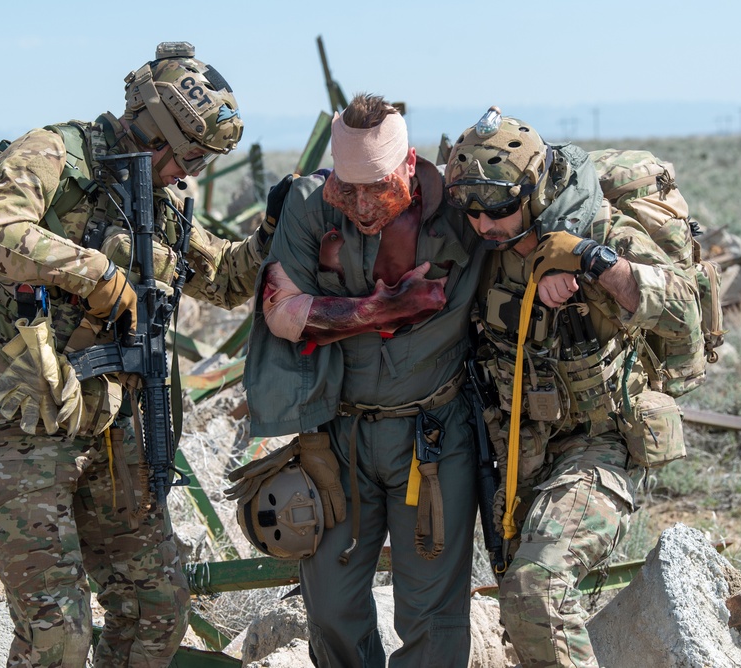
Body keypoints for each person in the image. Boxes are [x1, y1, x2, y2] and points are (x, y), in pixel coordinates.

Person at [0, 42, 273, 667]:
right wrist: (96, 273)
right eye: (186, 156)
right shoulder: (53, 154)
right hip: (26, 428)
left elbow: (229, 279)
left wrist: (278, 231)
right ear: (157, 129)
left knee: (157, 607)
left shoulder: (161, 200)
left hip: (112, 429)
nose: (189, 174)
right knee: (58, 633)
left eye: (201, 163)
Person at [443, 108, 702, 667]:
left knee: (537, 587)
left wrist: (593, 260)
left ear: (533, 191)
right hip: (519, 450)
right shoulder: (481, 250)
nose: (484, 224)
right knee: (525, 601)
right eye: (471, 210)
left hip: (600, 440)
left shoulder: (600, 231)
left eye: (500, 209)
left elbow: (684, 315)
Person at [235, 93, 487, 667]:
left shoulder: (462, 207)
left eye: (378, 187)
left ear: (410, 164)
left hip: (433, 437)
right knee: (330, 605)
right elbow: (281, 311)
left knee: (431, 612)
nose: (362, 205)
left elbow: (553, 185)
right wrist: (381, 310)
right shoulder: (308, 205)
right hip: (339, 438)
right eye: (347, 189)